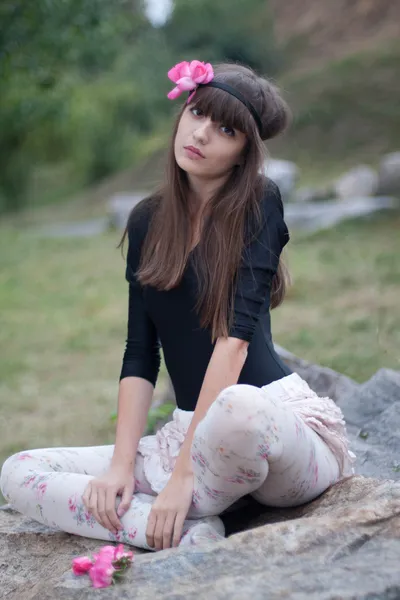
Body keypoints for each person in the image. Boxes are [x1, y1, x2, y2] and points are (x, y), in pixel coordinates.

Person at [0, 60, 355, 552]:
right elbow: (140, 353)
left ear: (242, 153)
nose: (201, 134)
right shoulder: (148, 220)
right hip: (191, 434)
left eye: (225, 128)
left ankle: (177, 506)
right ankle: (181, 530)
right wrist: (122, 466)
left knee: (238, 407)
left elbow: (234, 343)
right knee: (19, 471)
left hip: (271, 433)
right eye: (196, 114)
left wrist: (182, 476)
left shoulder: (258, 200)